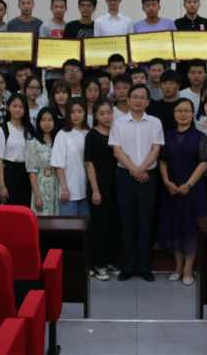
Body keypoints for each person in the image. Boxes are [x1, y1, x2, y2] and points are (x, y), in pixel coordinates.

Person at [110, 84, 164, 282]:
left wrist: (142, 169)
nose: (138, 100)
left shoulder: (155, 123)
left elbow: (156, 150)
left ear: (148, 102)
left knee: (145, 224)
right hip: (125, 178)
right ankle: (126, 266)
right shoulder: (118, 123)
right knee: (126, 223)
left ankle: (143, 267)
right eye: (135, 97)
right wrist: (135, 170)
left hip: (148, 178)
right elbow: (117, 151)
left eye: (142, 97)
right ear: (128, 100)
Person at [158, 97, 207, 287]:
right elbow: (162, 160)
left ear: (193, 114)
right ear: (174, 114)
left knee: (190, 228)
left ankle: (188, 268)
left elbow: (203, 163)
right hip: (172, 189)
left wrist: (188, 184)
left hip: (193, 190)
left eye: (187, 111)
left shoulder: (200, 136)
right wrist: (166, 181)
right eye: (179, 110)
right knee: (175, 227)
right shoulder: (167, 135)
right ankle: (178, 267)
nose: (183, 114)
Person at [85, 99, 120, 281]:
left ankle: (109, 261)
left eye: (109, 112)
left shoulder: (115, 132)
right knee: (100, 226)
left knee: (113, 224)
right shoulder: (92, 135)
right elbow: (89, 163)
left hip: (115, 184)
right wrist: (95, 190)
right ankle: (98, 264)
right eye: (102, 113)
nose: (106, 116)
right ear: (95, 116)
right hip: (99, 184)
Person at [51, 97, 90, 216]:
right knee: (69, 225)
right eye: (72, 112)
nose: (76, 115)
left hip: (87, 191)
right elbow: (59, 165)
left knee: (85, 225)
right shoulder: (62, 135)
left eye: (80, 111)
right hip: (69, 192)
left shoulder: (89, 133)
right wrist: (64, 189)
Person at [0, 93, 33, 207]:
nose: (17, 110)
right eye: (14, 106)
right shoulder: (3, 130)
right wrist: (1, 185)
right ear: (8, 107)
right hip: (10, 172)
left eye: (21, 107)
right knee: (11, 209)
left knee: (25, 209)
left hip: (27, 172)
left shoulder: (29, 130)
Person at [27, 107, 61, 216]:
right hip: (41, 186)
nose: (46, 123)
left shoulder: (59, 142)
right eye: (43, 120)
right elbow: (32, 172)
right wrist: (37, 196)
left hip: (56, 186)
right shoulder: (33, 143)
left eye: (50, 120)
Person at [174, 0, 207, 88]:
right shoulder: (177, 23)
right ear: (184, 5)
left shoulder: (206, 22)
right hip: (182, 67)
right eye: (189, 2)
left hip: (201, 67)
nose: (192, 4)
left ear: (199, 4)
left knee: (202, 92)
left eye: (195, 2)